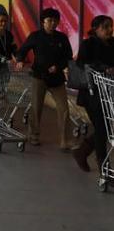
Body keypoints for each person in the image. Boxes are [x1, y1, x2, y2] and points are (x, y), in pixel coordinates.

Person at [16, 8, 73, 149]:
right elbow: (23, 49)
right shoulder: (35, 36)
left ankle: (64, 140)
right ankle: (33, 135)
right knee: (36, 107)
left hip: (57, 79)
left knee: (64, 109)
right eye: (49, 21)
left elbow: (68, 57)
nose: (53, 23)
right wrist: (20, 60)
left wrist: (58, 67)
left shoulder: (62, 38)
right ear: (43, 22)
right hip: (39, 77)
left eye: (55, 21)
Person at [72, 15, 114, 172]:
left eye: (111, 26)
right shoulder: (88, 44)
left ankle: (81, 152)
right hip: (92, 94)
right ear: (96, 29)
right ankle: (104, 167)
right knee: (103, 130)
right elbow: (82, 63)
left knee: (104, 130)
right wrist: (103, 68)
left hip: (109, 93)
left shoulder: (112, 43)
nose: (110, 30)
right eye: (106, 27)